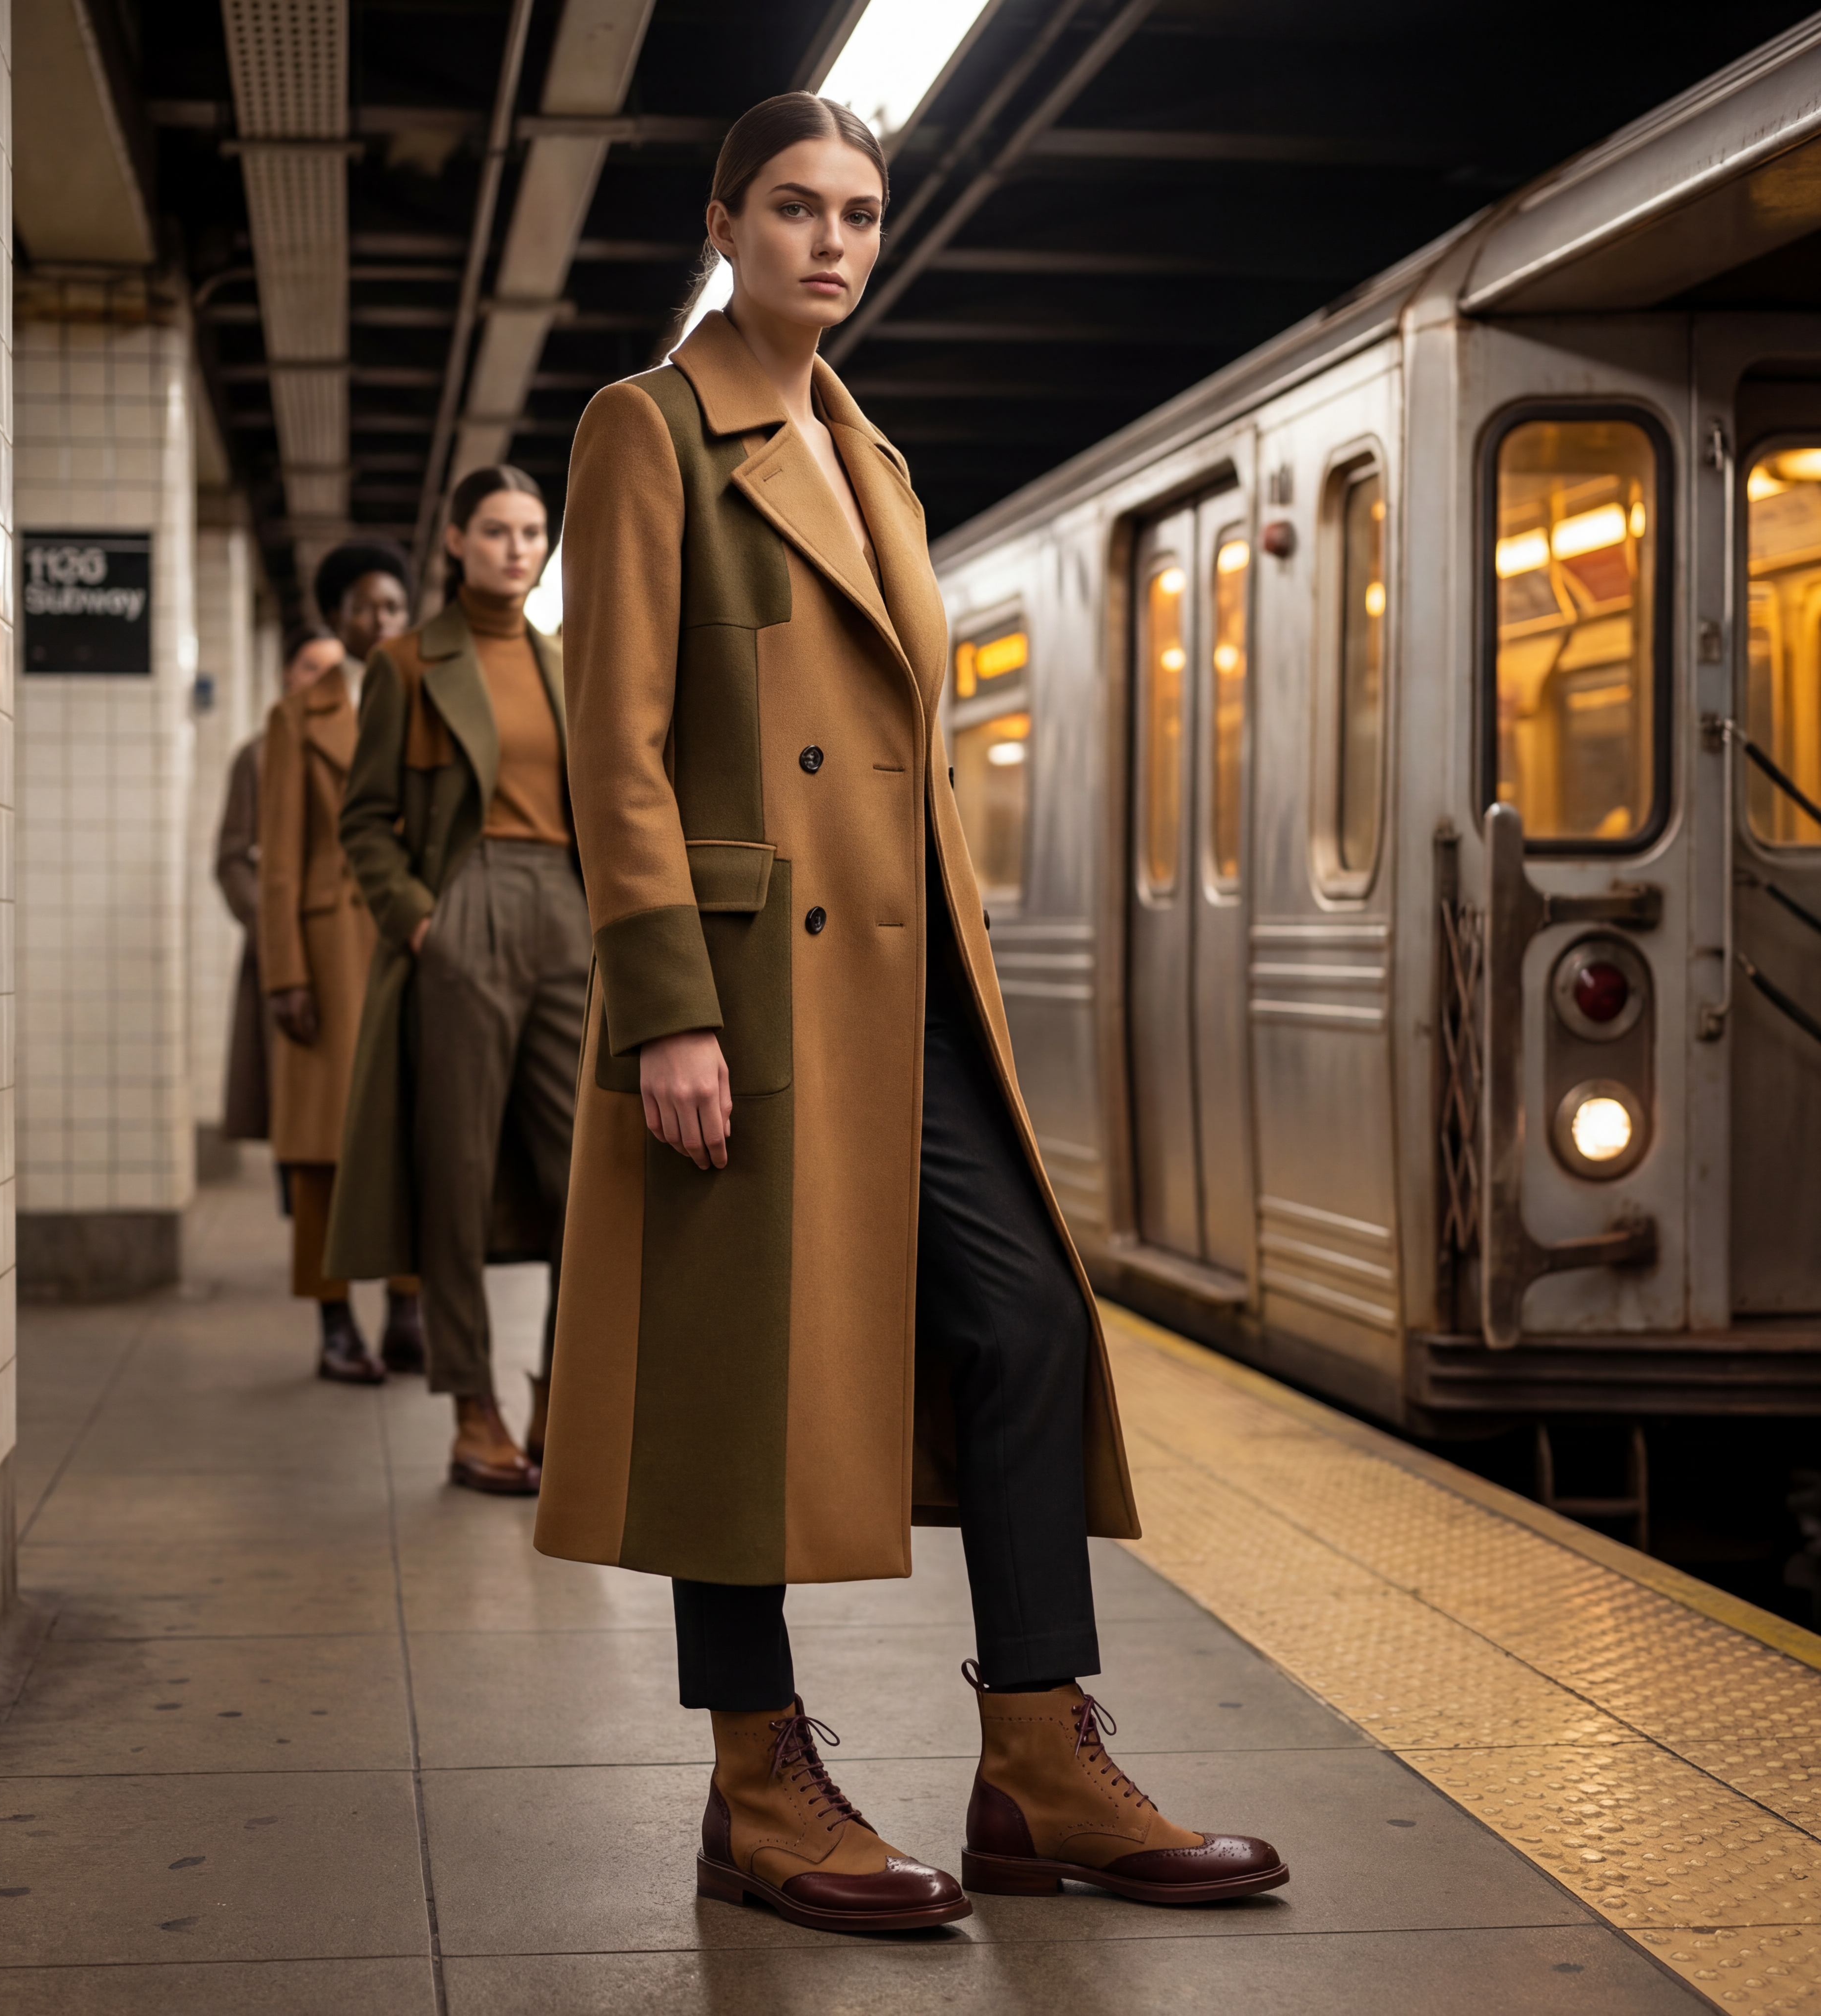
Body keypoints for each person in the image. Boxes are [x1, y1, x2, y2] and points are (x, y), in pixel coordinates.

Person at [533, 93, 1289, 1935]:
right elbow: (612, 736)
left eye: (858, 214)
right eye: (791, 206)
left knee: (1027, 1318)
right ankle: (756, 1779)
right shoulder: (648, 430)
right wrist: (667, 1009)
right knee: (733, 1385)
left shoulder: (872, 458)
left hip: (905, 981)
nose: (829, 242)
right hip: (747, 984)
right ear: (723, 223)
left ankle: (1037, 1755)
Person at [329, 468, 587, 1495]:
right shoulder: (406, 663)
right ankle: (473, 1410)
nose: (516, 549)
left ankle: (564, 1399)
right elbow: (364, 818)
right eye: (495, 531)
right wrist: (420, 919)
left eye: (531, 532)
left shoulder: (566, 661)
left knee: (586, 1183)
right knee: (457, 1175)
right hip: (464, 900)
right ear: (453, 541)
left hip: (566, 910)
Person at [260, 596, 425, 1383]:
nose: (380, 618)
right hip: (327, 949)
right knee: (321, 1151)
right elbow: (282, 857)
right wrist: (285, 970)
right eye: (364, 604)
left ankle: (406, 1310)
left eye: (394, 603)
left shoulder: (429, 693)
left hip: (410, 939)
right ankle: (332, 1322)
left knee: (412, 1132)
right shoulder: (295, 717)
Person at [213, 633, 338, 1148]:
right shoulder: (257, 756)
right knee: (291, 1097)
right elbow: (231, 858)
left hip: (345, 938)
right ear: (289, 673)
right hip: (281, 941)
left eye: (333, 670)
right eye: (311, 667)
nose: (321, 681)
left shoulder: (365, 743)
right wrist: (272, 921)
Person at [314, 539, 414, 680]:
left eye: (393, 610)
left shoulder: (429, 696)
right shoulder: (298, 702)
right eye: (363, 609)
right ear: (334, 618)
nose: (381, 621)